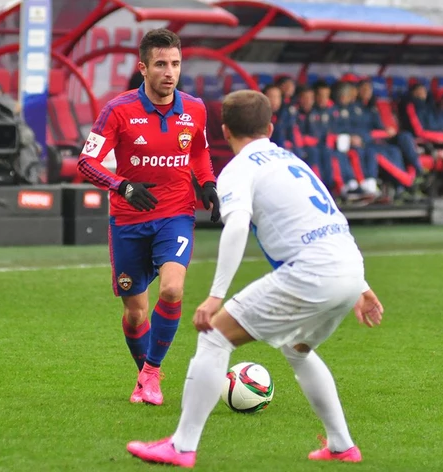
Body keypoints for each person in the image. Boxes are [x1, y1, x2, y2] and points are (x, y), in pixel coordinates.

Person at [127, 90, 384, 468]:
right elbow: (330, 218)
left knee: (214, 336)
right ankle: (341, 445)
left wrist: (215, 296)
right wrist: (360, 286)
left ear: (225, 130)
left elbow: (236, 228)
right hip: (348, 269)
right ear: (270, 127)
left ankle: (180, 447)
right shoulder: (292, 159)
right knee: (297, 349)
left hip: (311, 273)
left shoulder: (239, 169)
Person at [77, 28, 220, 406]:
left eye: (175, 64)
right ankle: (146, 378)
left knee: (172, 290)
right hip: (128, 220)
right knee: (135, 312)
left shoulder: (194, 108)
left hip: (175, 214)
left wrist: (207, 183)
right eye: (160, 64)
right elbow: (87, 162)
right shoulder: (118, 110)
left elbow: (199, 151)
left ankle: (152, 373)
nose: (169, 72)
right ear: (143, 68)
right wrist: (122, 186)